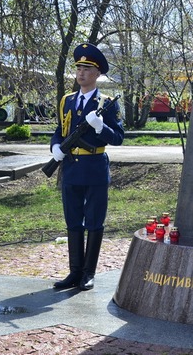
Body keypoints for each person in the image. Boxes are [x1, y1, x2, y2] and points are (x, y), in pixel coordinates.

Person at [50, 43, 124, 291]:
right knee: (73, 221)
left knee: (94, 221)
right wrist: (55, 146)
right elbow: (60, 131)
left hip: (94, 168)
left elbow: (118, 138)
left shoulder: (107, 103)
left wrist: (101, 127)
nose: (81, 73)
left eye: (87, 69)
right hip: (71, 168)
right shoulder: (67, 101)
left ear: (97, 74)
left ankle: (88, 273)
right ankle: (74, 272)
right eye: (79, 68)